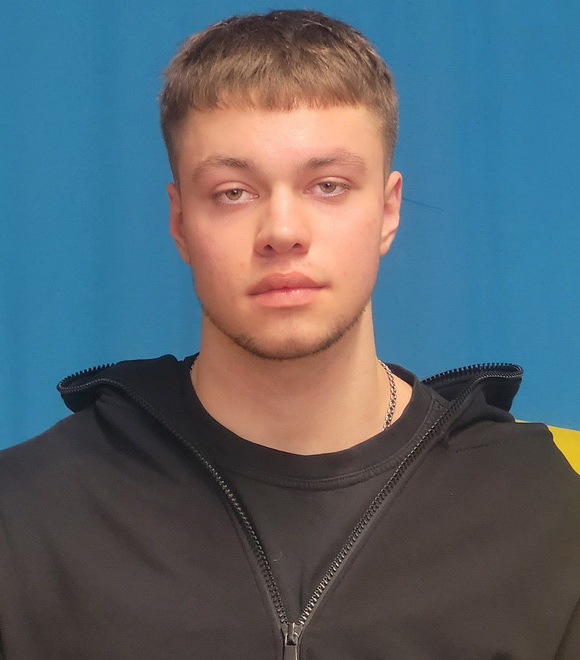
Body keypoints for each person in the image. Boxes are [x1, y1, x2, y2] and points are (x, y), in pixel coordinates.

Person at [0, 9, 578, 660]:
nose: (282, 231)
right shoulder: (28, 514)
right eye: (233, 192)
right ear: (180, 222)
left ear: (388, 210)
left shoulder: (550, 502)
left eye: (328, 186)